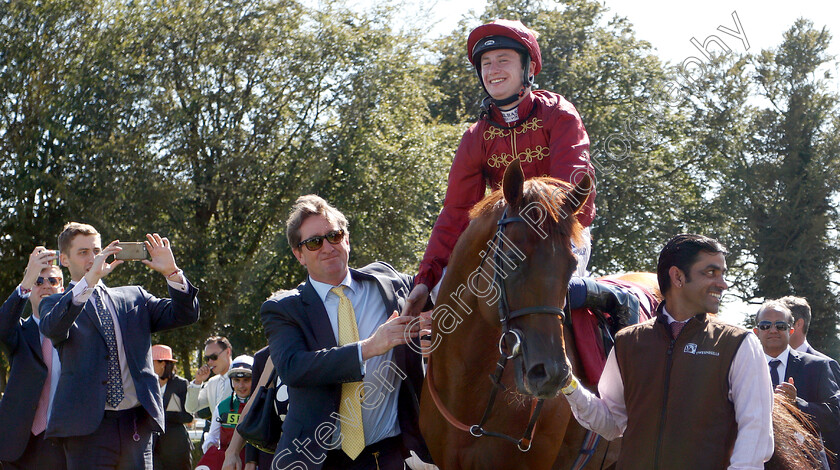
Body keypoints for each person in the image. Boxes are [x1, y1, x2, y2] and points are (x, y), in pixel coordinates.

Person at [404, 19, 637, 333]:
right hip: (502, 239)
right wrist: (425, 279)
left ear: (528, 69)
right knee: (444, 303)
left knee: (545, 292)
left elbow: (572, 190)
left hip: (560, 234)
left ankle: (609, 323)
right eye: (486, 63)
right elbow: (456, 212)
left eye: (503, 60)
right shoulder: (475, 137)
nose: (493, 69)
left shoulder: (559, 114)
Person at [561, 234, 774, 468]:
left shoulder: (739, 343)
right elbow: (612, 424)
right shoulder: (627, 342)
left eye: (723, 273)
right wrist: (569, 386)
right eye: (711, 272)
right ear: (678, 277)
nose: (723, 283)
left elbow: (755, 436)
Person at [261, 195, 430, 470]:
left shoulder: (389, 282)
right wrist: (369, 348)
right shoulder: (283, 308)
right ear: (299, 254)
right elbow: (293, 367)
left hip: (387, 455)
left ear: (347, 240)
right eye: (315, 242)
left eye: (334, 236)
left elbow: (442, 295)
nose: (327, 247)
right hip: (317, 460)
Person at [39, 222, 200, 470]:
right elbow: (53, 329)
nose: (94, 258)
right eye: (83, 252)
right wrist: (89, 282)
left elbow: (185, 315)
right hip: (86, 429)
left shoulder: (134, 297)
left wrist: (172, 273)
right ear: (64, 259)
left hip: (135, 424)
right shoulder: (56, 302)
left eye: (97, 250)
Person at [0, 247, 67, 469]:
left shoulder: (78, 333)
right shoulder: (18, 331)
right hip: (19, 446)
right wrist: (27, 279)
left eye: (53, 280)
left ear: (63, 288)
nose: (46, 285)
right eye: (39, 281)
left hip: (65, 443)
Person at [754, 300, 840, 469]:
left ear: (791, 330)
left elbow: (834, 416)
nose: (773, 330)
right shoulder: (743, 368)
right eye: (765, 325)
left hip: (806, 463)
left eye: (780, 325)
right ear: (756, 331)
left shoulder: (817, 366)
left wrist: (796, 404)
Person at [196, 355, 254, 470]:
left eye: (246, 380)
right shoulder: (222, 407)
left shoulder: (262, 406)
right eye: (236, 380)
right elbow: (212, 437)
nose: (241, 386)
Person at [778, 296, 840, 383]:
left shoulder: (827, 365)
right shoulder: (766, 363)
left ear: (798, 324)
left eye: (780, 324)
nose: (773, 330)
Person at [152, 344, 194, 470]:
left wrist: (163, 414)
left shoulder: (181, 384)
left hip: (176, 449)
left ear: (163, 363)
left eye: (151, 362)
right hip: (153, 450)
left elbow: (188, 416)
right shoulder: (147, 384)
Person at [186, 336, 234, 416]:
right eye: (207, 358)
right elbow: (191, 408)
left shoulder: (242, 378)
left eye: (214, 357)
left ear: (228, 352)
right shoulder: (212, 383)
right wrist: (197, 382)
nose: (210, 362)